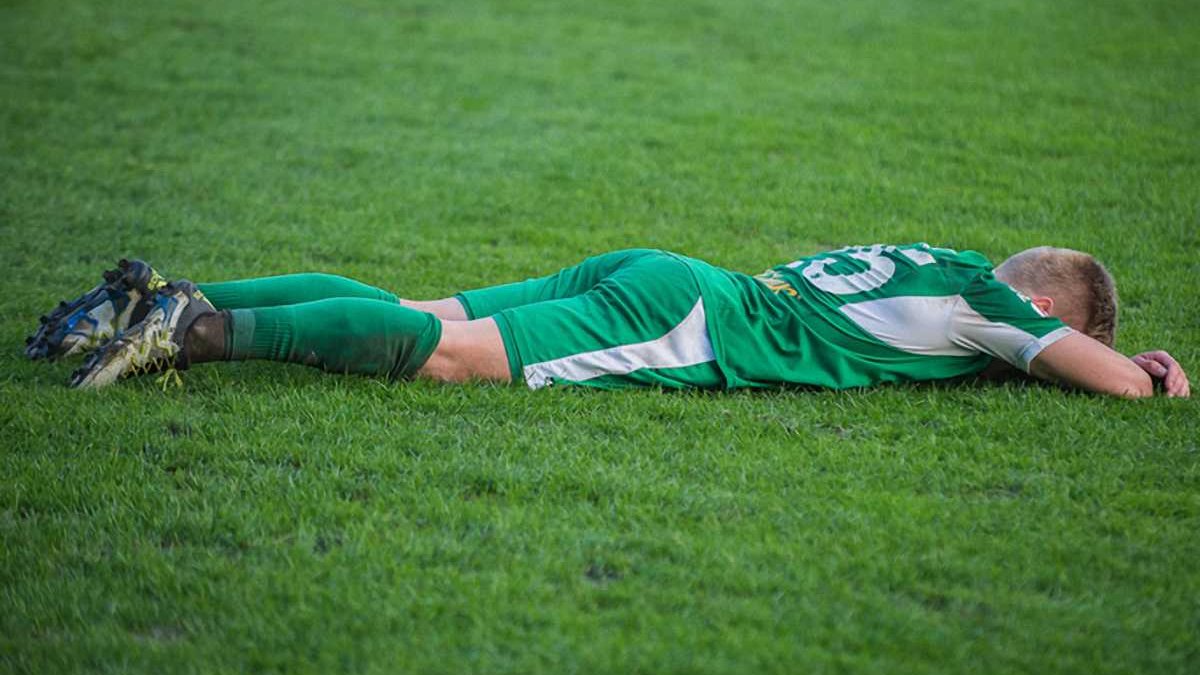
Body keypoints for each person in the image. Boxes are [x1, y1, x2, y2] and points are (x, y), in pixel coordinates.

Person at [26, 243, 1189, 398]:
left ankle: (170, 293)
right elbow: (1109, 381)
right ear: (1044, 304)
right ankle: (191, 331)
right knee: (451, 358)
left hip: (664, 266)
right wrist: (1152, 375)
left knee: (415, 308)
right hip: (692, 317)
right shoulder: (997, 307)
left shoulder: (937, 260)